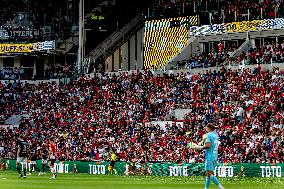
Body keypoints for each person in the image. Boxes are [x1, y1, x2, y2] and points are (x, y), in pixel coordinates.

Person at [190, 124, 225, 189]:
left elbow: (208, 145)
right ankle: (206, 188)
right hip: (215, 155)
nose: (205, 128)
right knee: (208, 173)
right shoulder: (215, 135)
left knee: (209, 173)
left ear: (209, 128)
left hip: (210, 156)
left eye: (206, 127)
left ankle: (220, 186)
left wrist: (200, 147)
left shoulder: (208, 135)